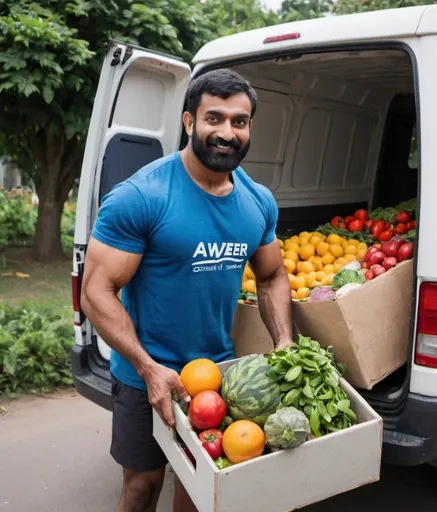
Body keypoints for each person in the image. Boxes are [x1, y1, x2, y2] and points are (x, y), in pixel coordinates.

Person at [81, 68, 294, 512]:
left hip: (216, 375)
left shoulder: (258, 202)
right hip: (145, 374)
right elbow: (96, 291)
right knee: (141, 486)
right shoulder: (141, 196)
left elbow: (272, 275)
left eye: (239, 121)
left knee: (199, 491)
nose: (227, 132)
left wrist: (285, 343)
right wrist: (147, 367)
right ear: (188, 122)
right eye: (213, 118)